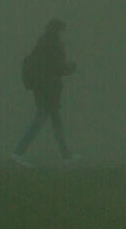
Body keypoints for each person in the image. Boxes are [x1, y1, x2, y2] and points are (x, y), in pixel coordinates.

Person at [12, 19, 77, 165]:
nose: (64, 33)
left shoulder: (42, 43)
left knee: (56, 122)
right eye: (63, 30)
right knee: (39, 122)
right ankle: (18, 152)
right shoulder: (55, 45)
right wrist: (72, 67)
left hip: (42, 88)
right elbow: (58, 67)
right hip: (50, 89)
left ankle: (66, 156)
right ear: (59, 30)